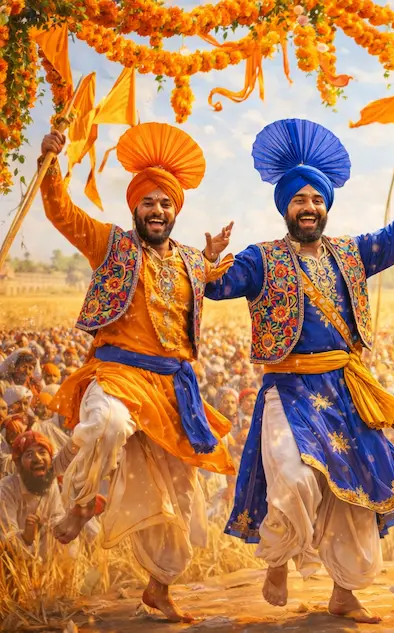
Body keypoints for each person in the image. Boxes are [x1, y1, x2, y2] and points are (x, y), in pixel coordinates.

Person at [206, 118, 394, 623]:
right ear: (285, 208)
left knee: (354, 497)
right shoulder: (262, 259)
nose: (309, 208)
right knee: (294, 479)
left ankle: (344, 590)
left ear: (326, 206)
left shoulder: (350, 253)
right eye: (298, 200)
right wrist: (210, 263)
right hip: (288, 389)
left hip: (344, 390)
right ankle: (278, 558)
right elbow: (219, 286)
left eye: (316, 200)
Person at [37, 123, 236, 622]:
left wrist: (210, 258)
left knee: (183, 503)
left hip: (173, 390)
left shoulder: (190, 260)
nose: (157, 210)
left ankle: (159, 587)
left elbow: (210, 273)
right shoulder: (111, 245)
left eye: (165, 203)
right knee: (106, 425)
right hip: (119, 373)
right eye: (148, 202)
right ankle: (82, 502)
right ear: (135, 209)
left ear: (175, 211)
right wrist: (51, 165)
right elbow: (62, 213)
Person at [0, 431, 65, 558]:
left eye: (42, 452)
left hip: (43, 561)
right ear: (19, 465)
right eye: (29, 454)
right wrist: (25, 537)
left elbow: (57, 516)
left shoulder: (50, 483)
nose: (38, 459)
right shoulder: (5, 489)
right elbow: (4, 536)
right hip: (14, 564)